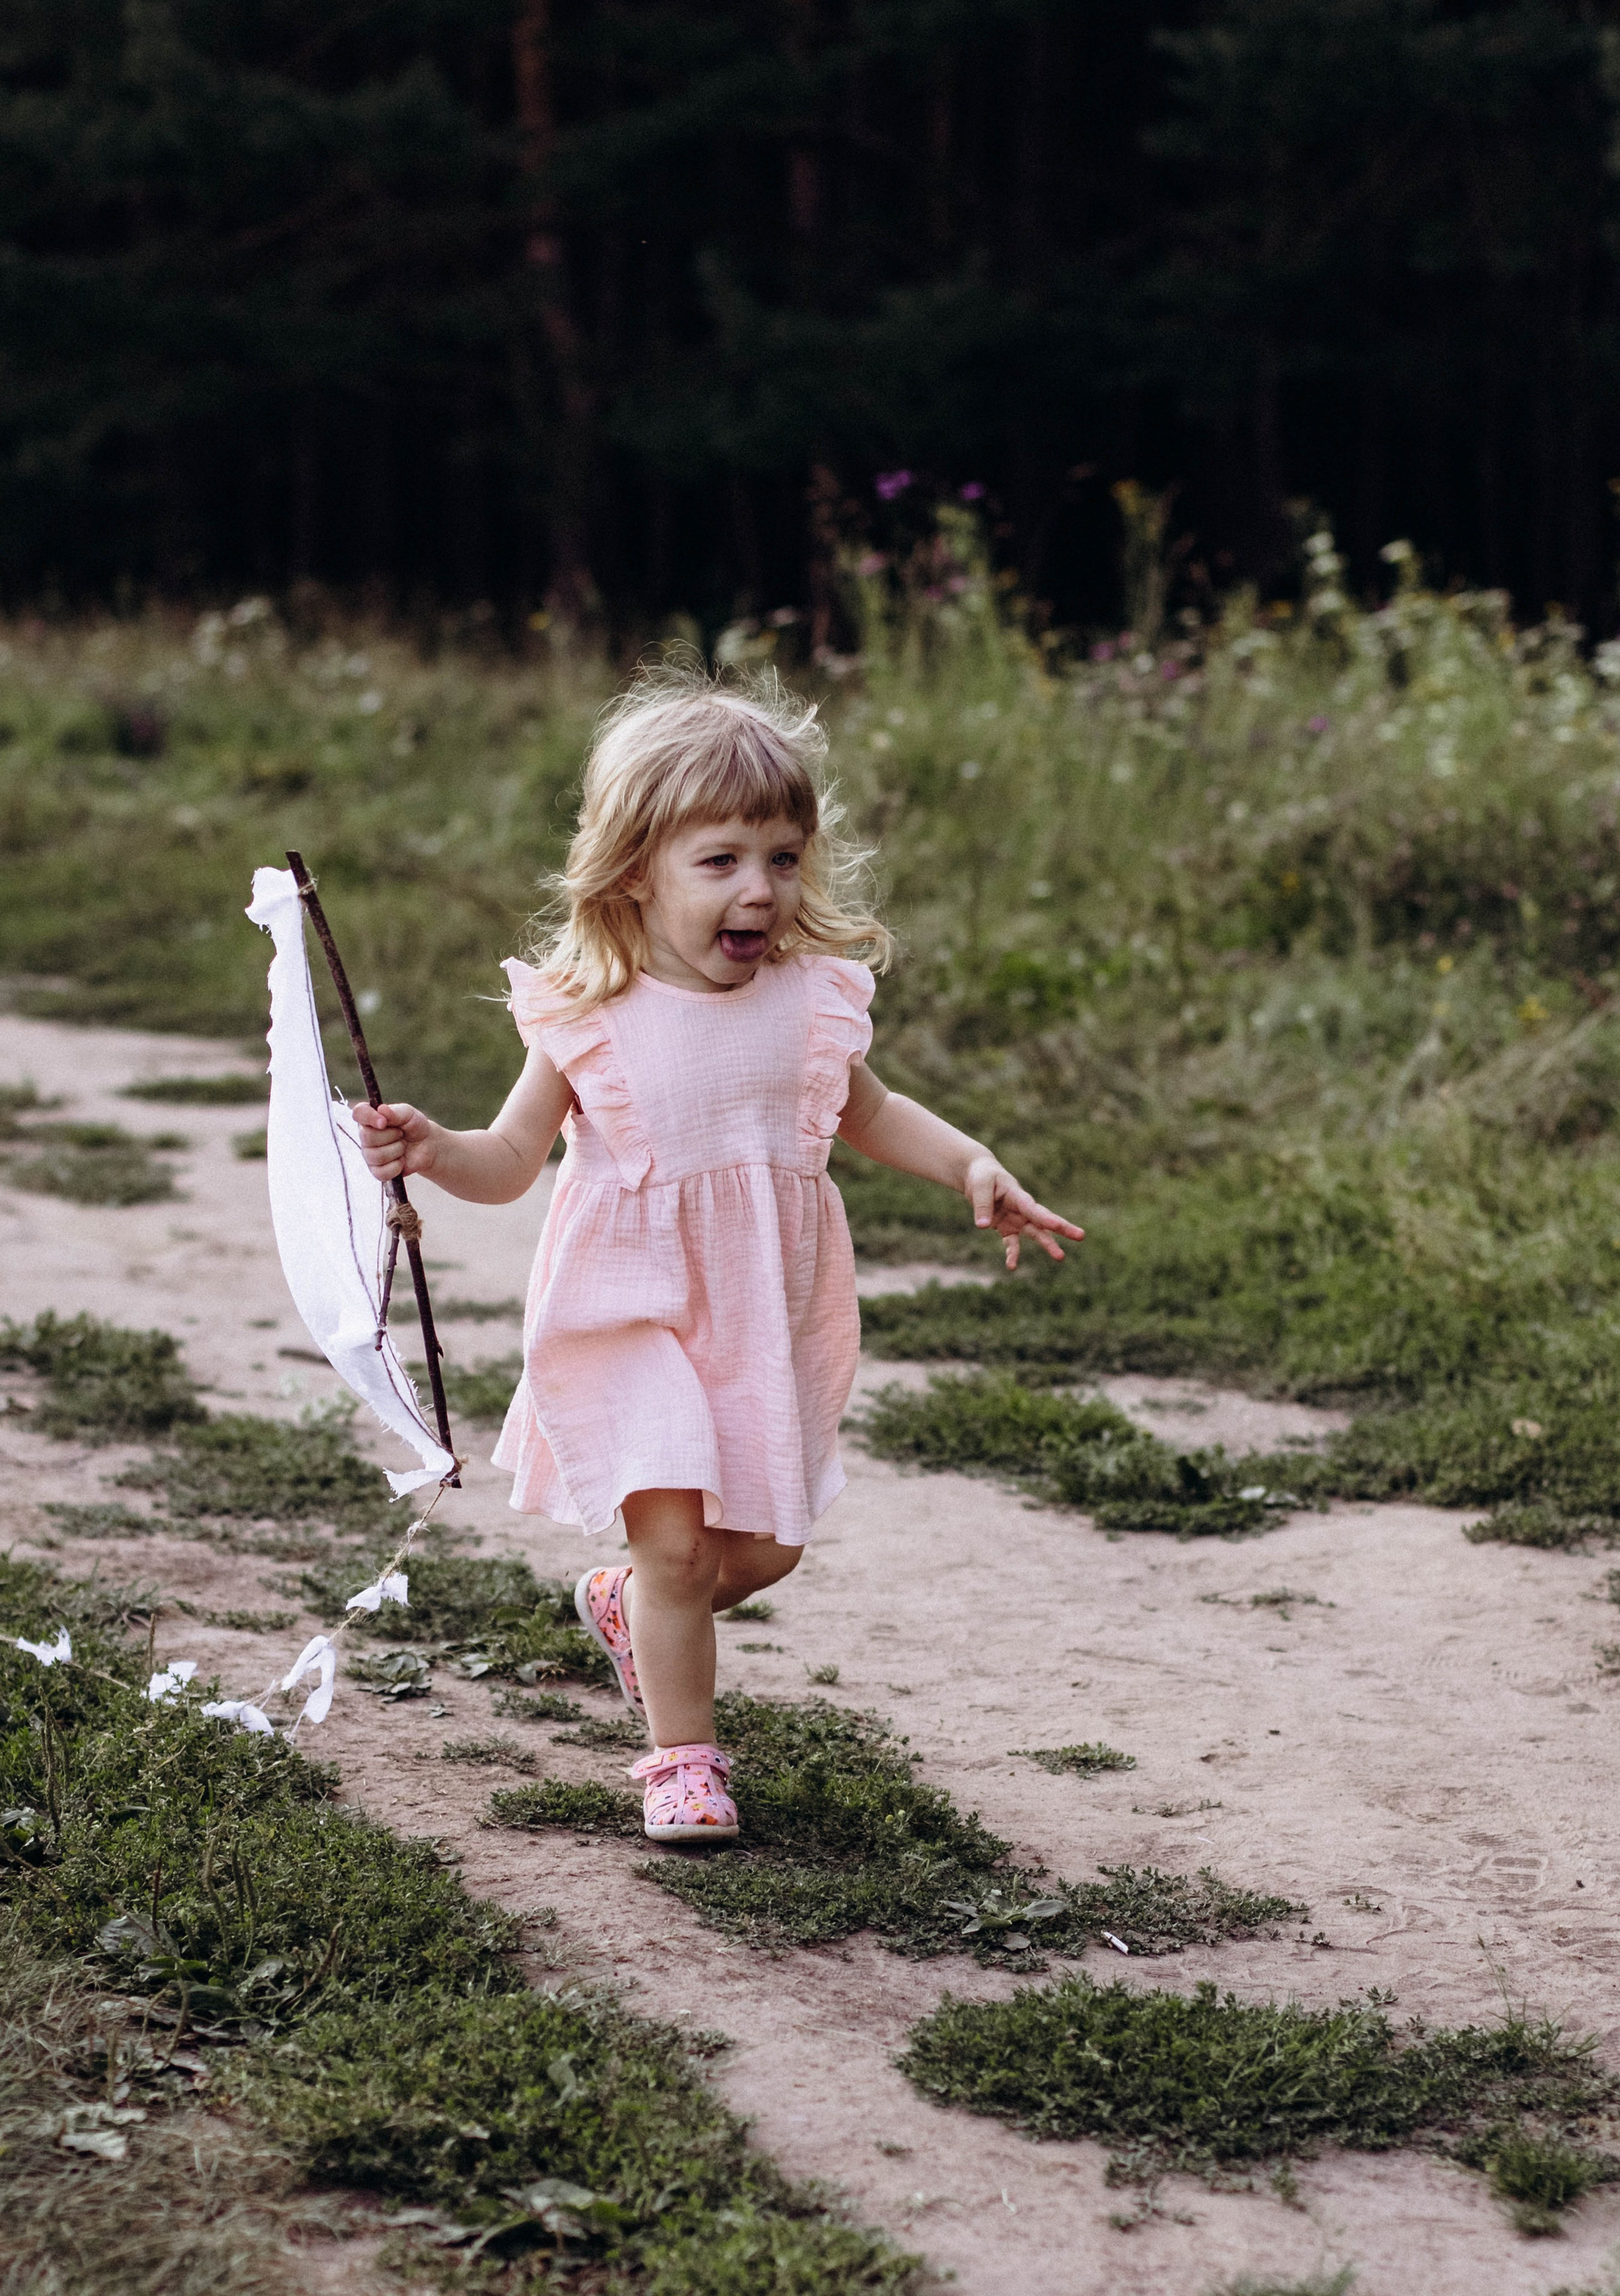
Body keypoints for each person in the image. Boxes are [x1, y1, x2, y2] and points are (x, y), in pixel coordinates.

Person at [354, 666, 1082, 1845]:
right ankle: (682, 1763)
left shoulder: (808, 1002)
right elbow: (504, 1162)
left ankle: (630, 1606)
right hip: (625, 1310)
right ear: (638, 869)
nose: (762, 890)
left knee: (766, 1549)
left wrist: (972, 1166)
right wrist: (431, 1149)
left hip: (759, 1313)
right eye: (723, 861)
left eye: (784, 858)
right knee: (681, 1547)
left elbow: (873, 1113)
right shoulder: (590, 1010)